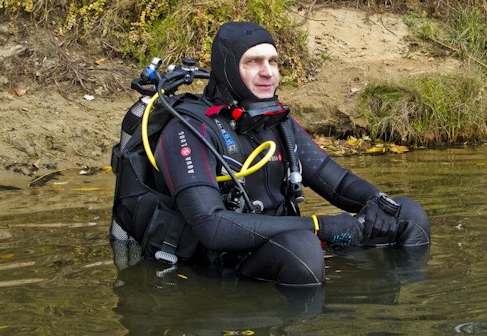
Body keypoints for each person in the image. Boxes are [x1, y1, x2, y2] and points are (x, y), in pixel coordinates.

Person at [112, 21, 430, 286]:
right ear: (228, 68)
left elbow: (338, 181)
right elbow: (212, 226)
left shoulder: (277, 123)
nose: (268, 72)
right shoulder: (189, 129)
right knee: (302, 248)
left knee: (407, 214)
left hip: (281, 244)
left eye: (273, 61)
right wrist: (319, 227)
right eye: (253, 62)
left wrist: (377, 202)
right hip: (218, 265)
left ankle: (393, 298)